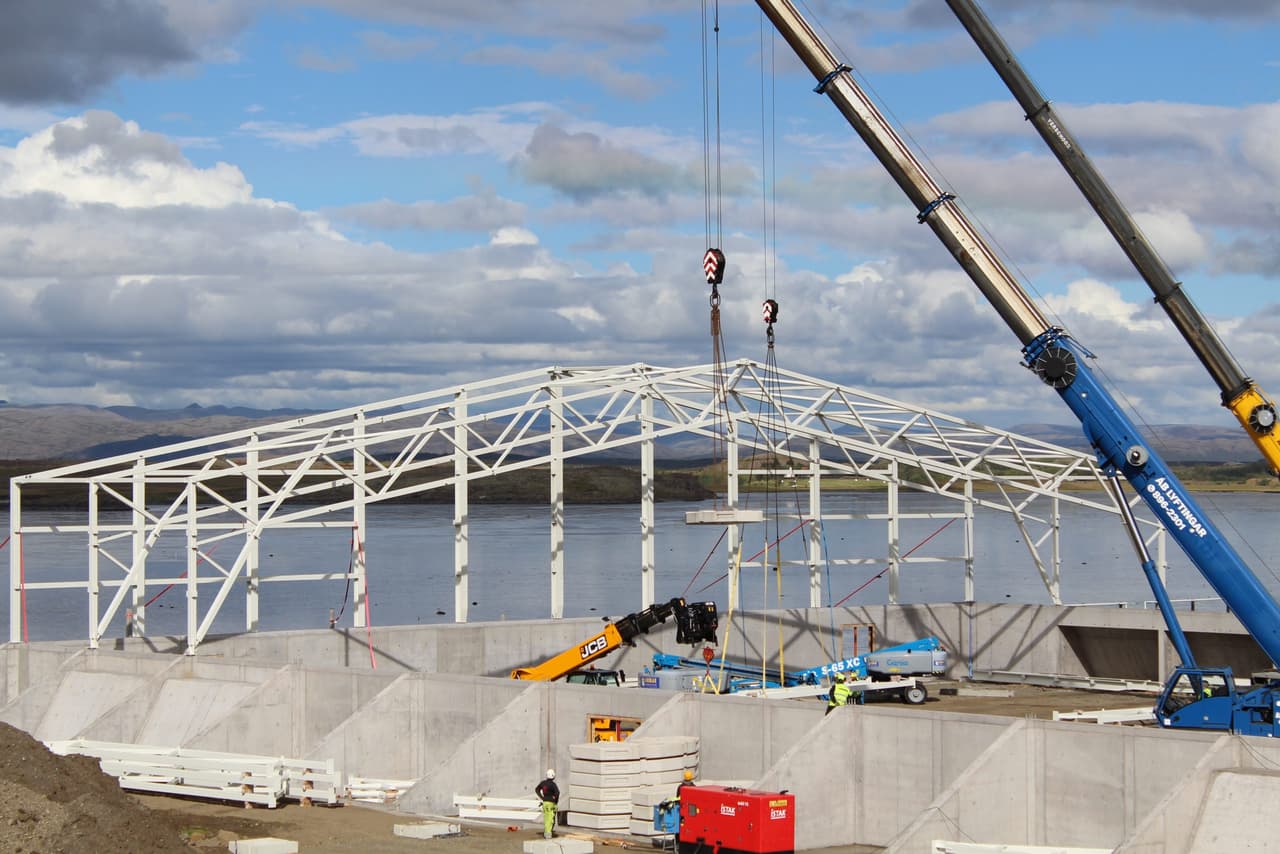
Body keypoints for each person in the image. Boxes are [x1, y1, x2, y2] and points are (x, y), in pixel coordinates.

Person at [534, 769, 559, 839]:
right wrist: (555, 801)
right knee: (551, 818)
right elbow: (557, 793)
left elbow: (537, 789)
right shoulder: (553, 785)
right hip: (551, 803)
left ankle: (546, 832)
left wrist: (542, 797)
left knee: (546, 818)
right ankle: (548, 833)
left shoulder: (543, 783)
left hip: (545, 803)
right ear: (553, 776)